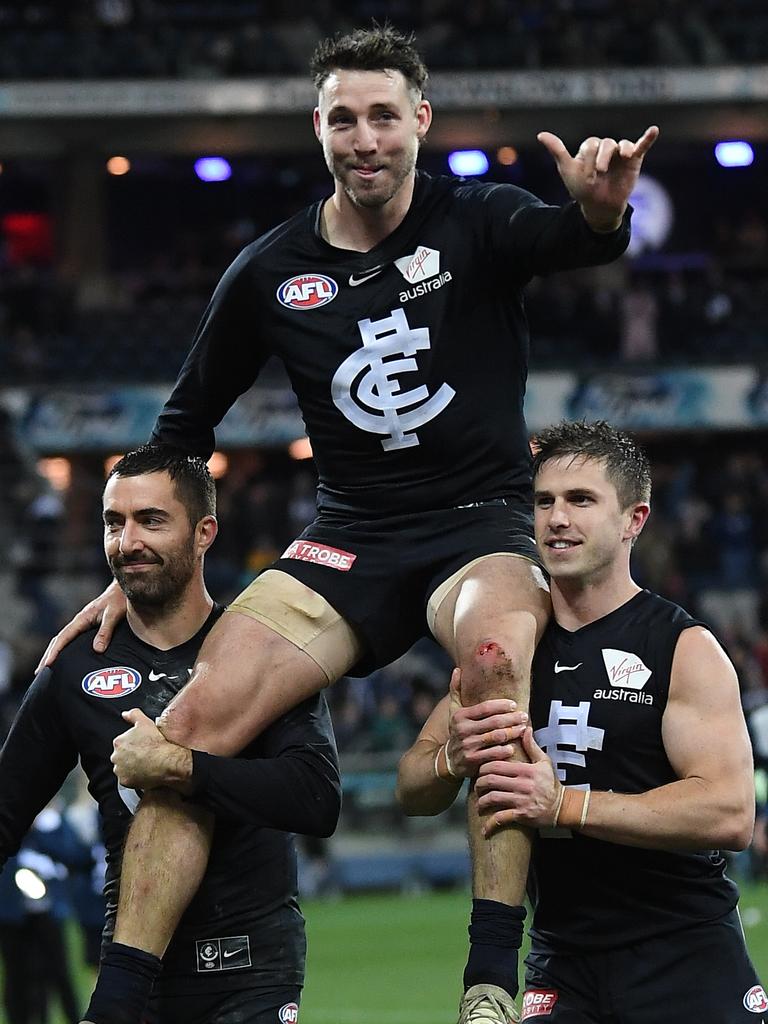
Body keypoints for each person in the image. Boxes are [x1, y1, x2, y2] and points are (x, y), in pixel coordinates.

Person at [42, 26, 658, 1024]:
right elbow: (182, 427)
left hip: (478, 526)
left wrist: (600, 212)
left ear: (420, 122)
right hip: (350, 535)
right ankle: (119, 1002)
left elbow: (572, 236)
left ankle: (491, 977)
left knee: (497, 657)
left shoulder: (479, 218)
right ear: (318, 129)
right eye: (343, 118)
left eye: (383, 116)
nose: (364, 137)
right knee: (186, 726)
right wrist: (137, 554)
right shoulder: (270, 271)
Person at [397, 420, 764, 1023]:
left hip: (685, 960)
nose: (556, 518)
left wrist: (566, 806)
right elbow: (410, 788)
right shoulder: (512, 646)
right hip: (561, 965)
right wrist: (451, 760)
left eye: (581, 501)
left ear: (633, 521)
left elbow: (729, 812)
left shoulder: (681, 647)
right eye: (543, 502)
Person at [1, 445, 341, 1024]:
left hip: (254, 971)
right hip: (134, 974)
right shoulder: (75, 667)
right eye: (115, 522)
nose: (128, 541)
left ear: (204, 532)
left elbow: (315, 797)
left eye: (151, 520)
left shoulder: (259, 652)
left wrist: (184, 768)